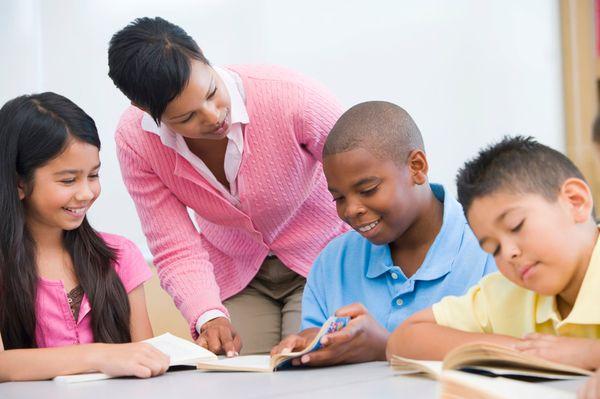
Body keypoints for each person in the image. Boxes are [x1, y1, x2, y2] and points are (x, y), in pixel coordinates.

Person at [108, 17, 347, 355]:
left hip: (323, 258)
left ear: (203, 56)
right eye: (186, 117)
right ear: (144, 109)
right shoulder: (136, 140)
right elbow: (174, 244)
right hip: (237, 273)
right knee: (236, 375)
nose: (212, 116)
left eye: (211, 93)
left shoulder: (293, 97)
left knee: (305, 363)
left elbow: (366, 175)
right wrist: (207, 315)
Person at [271, 101, 495, 366]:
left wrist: (387, 347)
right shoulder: (333, 263)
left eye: (368, 190)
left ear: (417, 167)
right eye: (338, 198)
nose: (352, 210)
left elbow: (512, 356)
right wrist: (312, 342)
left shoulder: (491, 249)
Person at [387, 136, 600, 373]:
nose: (508, 253)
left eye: (516, 226)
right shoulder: (504, 293)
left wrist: (588, 353)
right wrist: (528, 352)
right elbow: (402, 340)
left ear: (575, 201)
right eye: (493, 248)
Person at [0, 92, 169, 381]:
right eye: (68, 180)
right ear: (19, 183)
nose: (86, 193)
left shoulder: (119, 255)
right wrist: (99, 355)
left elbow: (144, 356)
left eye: (93, 175)